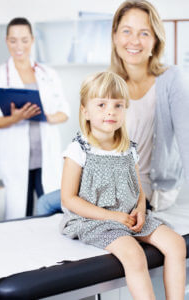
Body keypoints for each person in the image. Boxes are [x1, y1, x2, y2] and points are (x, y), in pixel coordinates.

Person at [37, 0, 189, 215]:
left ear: (155, 40)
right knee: (45, 202)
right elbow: (91, 139)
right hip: (103, 179)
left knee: (55, 205)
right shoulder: (109, 83)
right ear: (115, 36)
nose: (134, 40)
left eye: (144, 33)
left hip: (145, 188)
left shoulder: (172, 79)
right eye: (127, 31)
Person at [60, 71, 186, 300]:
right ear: (85, 111)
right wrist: (114, 217)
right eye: (101, 104)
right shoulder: (78, 150)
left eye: (118, 105)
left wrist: (139, 210)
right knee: (134, 255)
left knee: (176, 244)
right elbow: (69, 199)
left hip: (129, 216)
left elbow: (137, 189)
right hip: (95, 221)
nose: (111, 111)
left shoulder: (129, 149)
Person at [0, 18, 70, 219]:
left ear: (32, 40)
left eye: (24, 40)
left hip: (45, 159)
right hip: (17, 160)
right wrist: (15, 118)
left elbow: (64, 112)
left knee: (52, 213)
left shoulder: (48, 74)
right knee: (19, 215)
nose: (19, 46)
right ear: (7, 41)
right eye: (13, 40)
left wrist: (47, 116)